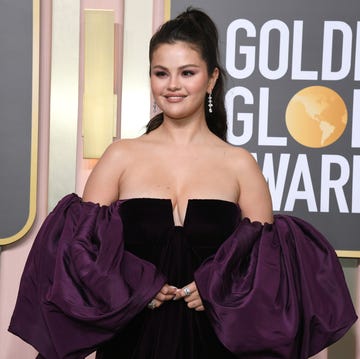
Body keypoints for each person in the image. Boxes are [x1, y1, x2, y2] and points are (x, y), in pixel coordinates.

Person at [9, 8, 357, 359]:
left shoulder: (240, 165)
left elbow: (264, 273)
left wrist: (215, 288)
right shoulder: (120, 157)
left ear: (211, 79)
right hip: (131, 342)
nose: (172, 85)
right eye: (161, 73)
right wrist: (138, 284)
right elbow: (82, 257)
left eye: (187, 73)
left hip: (213, 345)